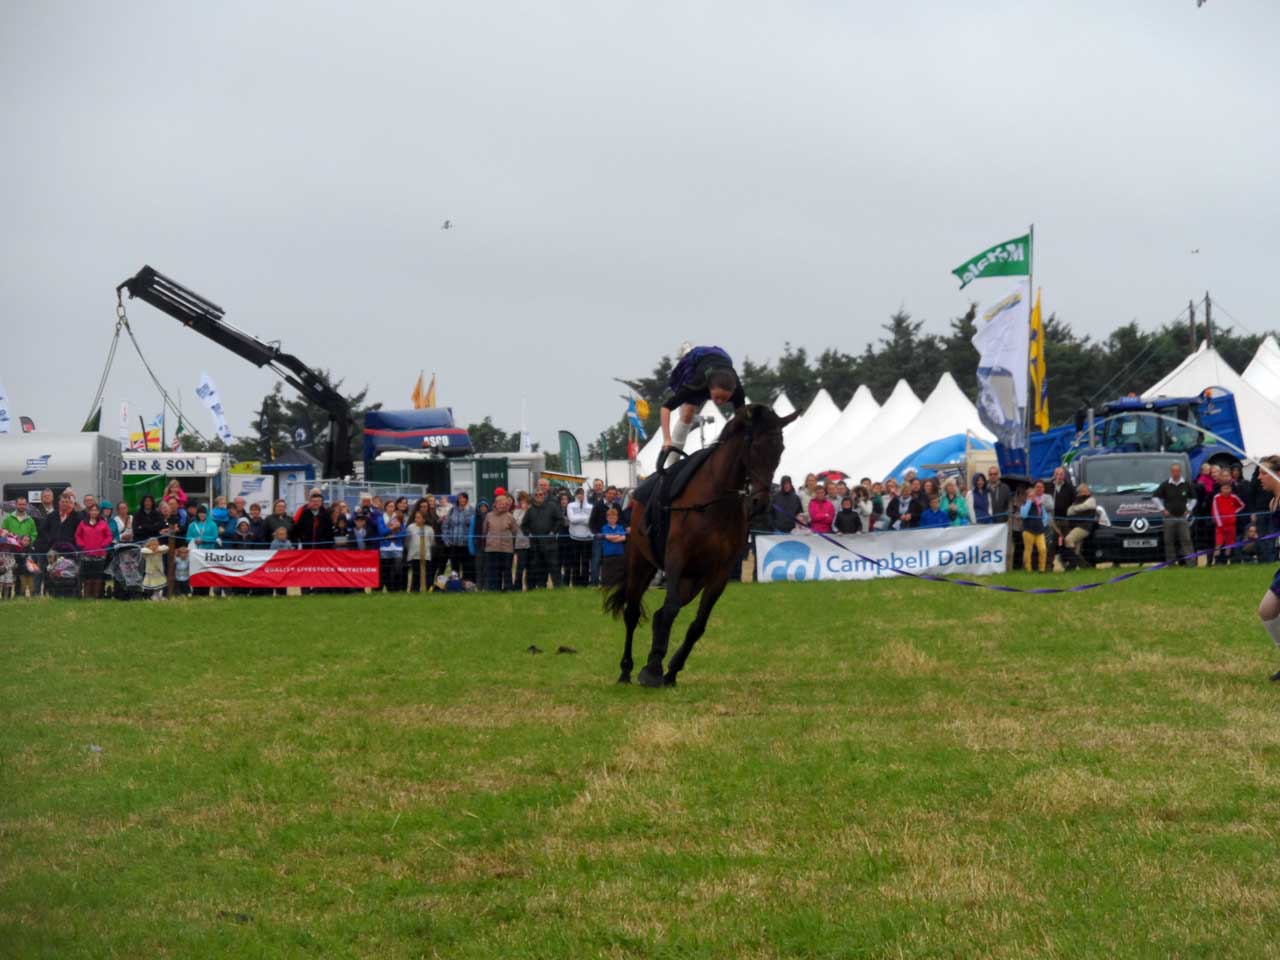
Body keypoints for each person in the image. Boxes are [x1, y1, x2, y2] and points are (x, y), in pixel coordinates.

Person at [657, 345, 746, 469]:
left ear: (733, 392)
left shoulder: (738, 392)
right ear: (709, 388)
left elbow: (742, 422)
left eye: (725, 399)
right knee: (688, 413)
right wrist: (667, 439)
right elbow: (665, 408)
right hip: (697, 359)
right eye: (716, 397)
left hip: (723, 358)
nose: (719, 402)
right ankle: (672, 464)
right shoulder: (697, 384)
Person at [1250, 456, 1280, 680]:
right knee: (1267, 610)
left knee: (1268, 609)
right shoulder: (1273, 502)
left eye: (1263, 472)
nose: (1259, 477)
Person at [1155, 463, 1196, 567]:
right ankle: (1171, 564)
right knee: (1169, 542)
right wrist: (1162, 509)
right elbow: (1155, 497)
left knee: (1186, 541)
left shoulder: (1186, 484)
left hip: (1182, 517)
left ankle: (1190, 564)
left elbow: (1194, 498)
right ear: (1171, 472)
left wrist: (1189, 509)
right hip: (1169, 518)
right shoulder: (1165, 485)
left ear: (1180, 472)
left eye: (1177, 471)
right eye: (1174, 471)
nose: (1176, 473)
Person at [520, 487, 562, 589]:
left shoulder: (552, 507)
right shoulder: (530, 510)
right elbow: (523, 525)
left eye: (541, 494)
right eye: (536, 495)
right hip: (536, 544)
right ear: (534, 497)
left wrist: (553, 531)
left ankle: (558, 588)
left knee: (554, 567)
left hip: (550, 543)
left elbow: (560, 520)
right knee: (539, 567)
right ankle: (541, 587)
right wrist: (528, 534)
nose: (539, 496)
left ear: (544, 495)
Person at [75, 503, 114, 598]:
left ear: (98, 512)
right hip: (86, 554)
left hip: (99, 555)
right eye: (92, 510)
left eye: (96, 510)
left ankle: (97, 595)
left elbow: (109, 536)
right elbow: (77, 535)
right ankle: (88, 596)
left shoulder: (103, 523)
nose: (94, 512)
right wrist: (81, 545)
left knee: (98, 576)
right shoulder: (82, 523)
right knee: (87, 576)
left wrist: (104, 544)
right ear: (89, 512)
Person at [3, 497, 38, 598]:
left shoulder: (30, 520)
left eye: (24, 504)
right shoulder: (8, 518)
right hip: (12, 551)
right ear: (16, 505)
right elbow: (4, 531)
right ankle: (8, 596)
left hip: (25, 552)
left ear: (26, 505)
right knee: (11, 573)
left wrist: (28, 541)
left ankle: (20, 594)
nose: (22, 506)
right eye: (20, 504)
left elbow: (34, 533)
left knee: (23, 573)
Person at [483, 495, 519, 591]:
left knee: (507, 570)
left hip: (506, 548)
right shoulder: (489, 516)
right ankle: (494, 589)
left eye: (503, 504)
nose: (501, 506)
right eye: (499, 503)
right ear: (495, 504)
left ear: (506, 505)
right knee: (494, 570)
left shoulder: (510, 517)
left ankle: (508, 588)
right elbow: (484, 531)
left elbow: (515, 531)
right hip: (492, 548)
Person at [1061, 483, 1098, 571]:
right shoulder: (1076, 500)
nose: (1084, 492)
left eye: (1085, 490)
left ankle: (1077, 565)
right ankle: (1079, 568)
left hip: (1085, 527)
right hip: (1076, 526)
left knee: (1068, 539)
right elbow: (1069, 511)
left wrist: (1076, 508)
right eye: (1082, 490)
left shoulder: (1091, 499)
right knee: (1076, 549)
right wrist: (1076, 508)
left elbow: (1087, 506)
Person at [442, 492, 475, 583]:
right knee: (454, 567)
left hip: (466, 545)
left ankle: (467, 585)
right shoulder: (452, 510)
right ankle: (455, 585)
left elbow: (474, 525)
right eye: (460, 498)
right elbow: (445, 526)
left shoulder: (472, 510)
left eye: (464, 498)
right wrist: (446, 539)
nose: (462, 500)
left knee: (467, 567)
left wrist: (466, 511)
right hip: (454, 544)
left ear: (467, 499)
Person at [1212, 479, 1246, 566]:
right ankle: (1217, 560)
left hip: (1231, 525)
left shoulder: (1234, 497)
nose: (1226, 490)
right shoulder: (1217, 497)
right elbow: (1215, 511)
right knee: (1218, 543)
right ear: (1221, 489)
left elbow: (1242, 505)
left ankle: (1227, 560)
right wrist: (1219, 523)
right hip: (1220, 526)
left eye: (1228, 488)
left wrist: (1234, 512)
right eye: (1224, 488)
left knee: (1229, 544)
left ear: (1231, 489)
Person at [1020, 480, 1050, 573]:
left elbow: (1045, 516)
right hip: (1028, 531)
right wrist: (1029, 502)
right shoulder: (1024, 505)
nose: (1032, 497)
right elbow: (1024, 515)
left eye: (1033, 496)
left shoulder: (1040, 505)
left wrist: (1043, 524)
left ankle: (1042, 569)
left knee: (1043, 549)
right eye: (1030, 496)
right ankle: (1028, 569)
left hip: (1040, 531)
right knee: (1028, 550)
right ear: (1027, 496)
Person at [567, 488, 593, 586]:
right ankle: (575, 583)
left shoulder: (591, 507)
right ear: (576, 495)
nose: (580, 496)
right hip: (574, 538)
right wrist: (585, 518)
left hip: (587, 538)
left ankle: (585, 583)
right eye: (578, 494)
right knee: (575, 562)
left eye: (582, 494)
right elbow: (572, 519)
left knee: (586, 562)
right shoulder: (571, 505)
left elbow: (590, 521)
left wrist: (579, 518)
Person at [405, 509, 434, 592]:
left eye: (418, 518)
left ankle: (427, 589)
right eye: (415, 517)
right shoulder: (410, 528)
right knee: (416, 573)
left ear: (424, 519)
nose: (416, 519)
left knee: (427, 573)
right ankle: (414, 590)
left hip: (426, 555)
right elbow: (407, 541)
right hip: (414, 555)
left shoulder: (429, 529)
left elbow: (431, 541)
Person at [512, 491, 531, 591]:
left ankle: (529, 586)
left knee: (530, 567)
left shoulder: (532, 510)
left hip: (531, 543)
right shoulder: (516, 512)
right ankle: (517, 587)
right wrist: (524, 512)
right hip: (520, 543)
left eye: (525, 500)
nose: (523, 502)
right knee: (520, 567)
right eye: (521, 500)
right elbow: (518, 523)